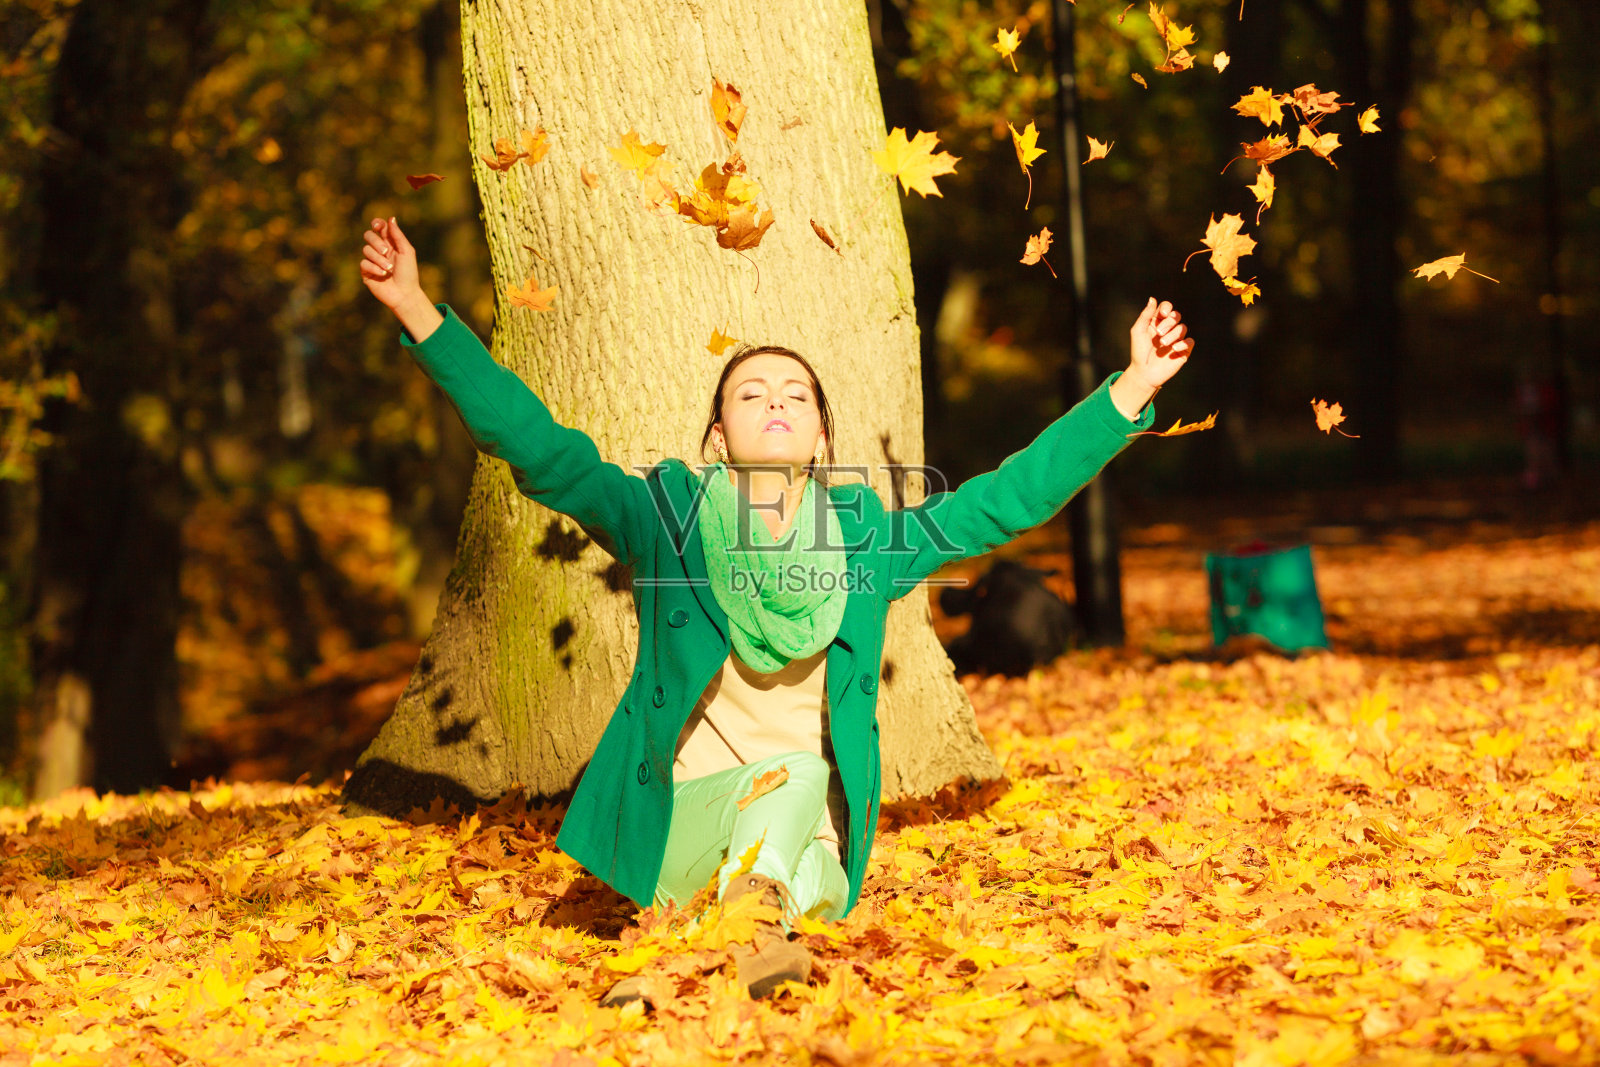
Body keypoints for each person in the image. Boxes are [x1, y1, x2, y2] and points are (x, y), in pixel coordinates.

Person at [357, 215, 1194, 1004]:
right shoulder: (665, 524)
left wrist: (1131, 390)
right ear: (716, 439)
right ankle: (747, 929)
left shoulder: (865, 543)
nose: (777, 402)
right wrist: (418, 310)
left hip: (804, 845)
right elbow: (544, 453)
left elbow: (998, 503)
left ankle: (699, 953)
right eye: (751, 394)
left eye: (796, 394)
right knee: (793, 775)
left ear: (823, 440)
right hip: (683, 829)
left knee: (803, 864)